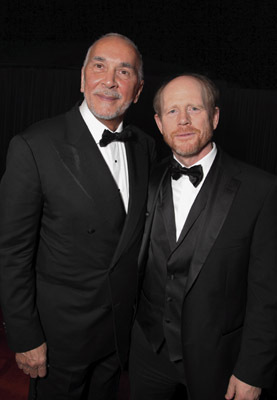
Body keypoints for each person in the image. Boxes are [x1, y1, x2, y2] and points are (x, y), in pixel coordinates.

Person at [0, 33, 155, 400]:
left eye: (124, 71)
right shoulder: (33, 146)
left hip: (118, 332)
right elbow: (12, 253)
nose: (110, 80)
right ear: (83, 77)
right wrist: (25, 335)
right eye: (99, 66)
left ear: (137, 90)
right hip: (59, 338)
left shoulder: (146, 147)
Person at [129, 73, 277, 400]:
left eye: (194, 108)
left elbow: (268, 294)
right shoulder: (145, 180)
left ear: (215, 116)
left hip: (219, 360)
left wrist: (253, 369)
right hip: (146, 350)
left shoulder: (261, 191)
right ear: (158, 122)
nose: (182, 120)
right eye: (172, 112)